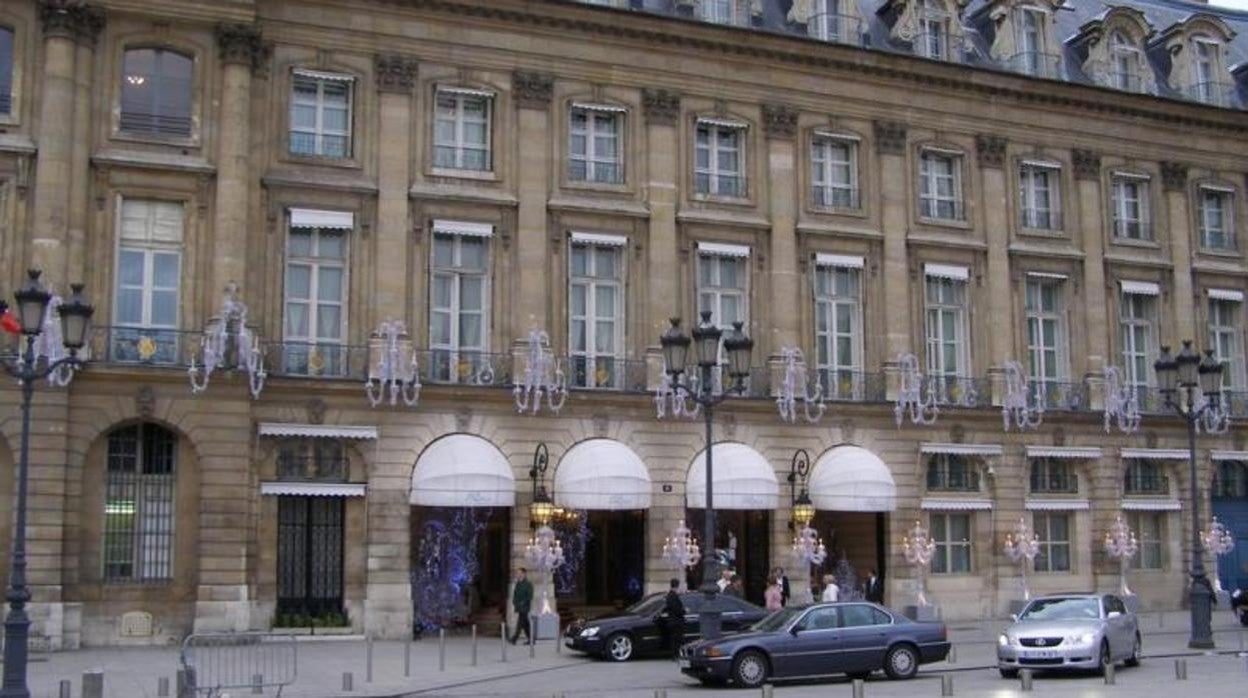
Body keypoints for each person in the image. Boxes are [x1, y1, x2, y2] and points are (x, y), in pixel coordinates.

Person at [660, 578, 686, 657]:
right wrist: (684, 611)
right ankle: (676, 654)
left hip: (673, 621)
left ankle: (676, 654)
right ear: (677, 586)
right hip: (676, 621)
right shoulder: (673, 596)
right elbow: (676, 609)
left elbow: (668, 608)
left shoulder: (670, 595)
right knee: (676, 639)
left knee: (675, 639)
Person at [508, 567, 534, 644]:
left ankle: (514, 638)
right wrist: (514, 602)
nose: (517, 574)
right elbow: (515, 594)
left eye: (519, 573)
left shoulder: (528, 584)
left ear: (524, 574)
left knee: (520, 623)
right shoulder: (518, 584)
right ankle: (531, 639)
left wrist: (523, 602)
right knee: (526, 624)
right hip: (519, 606)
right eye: (517, 573)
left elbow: (529, 596)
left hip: (525, 607)